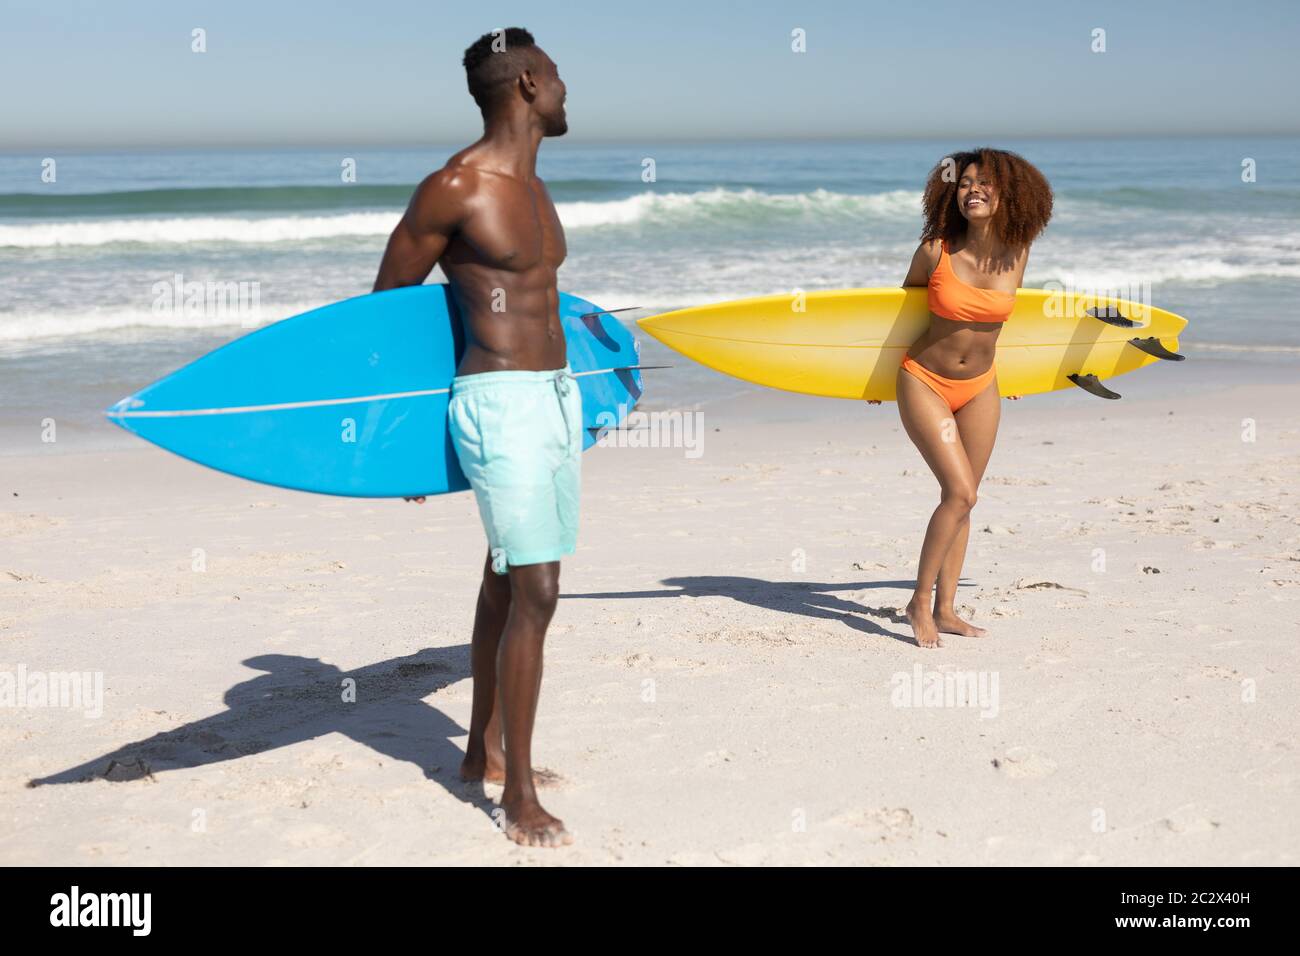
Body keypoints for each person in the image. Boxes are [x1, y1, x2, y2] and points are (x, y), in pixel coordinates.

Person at [372, 27, 575, 847]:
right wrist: (397, 441)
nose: (568, 90)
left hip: (554, 400)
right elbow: (386, 309)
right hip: (496, 403)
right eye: (559, 76)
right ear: (528, 83)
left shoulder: (535, 187)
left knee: (506, 576)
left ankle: (479, 750)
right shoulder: (453, 187)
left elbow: (541, 299)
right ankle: (517, 793)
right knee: (539, 590)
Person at [896, 148, 1053, 648]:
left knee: (963, 503)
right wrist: (868, 383)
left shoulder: (1019, 251)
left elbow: (1012, 325)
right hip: (925, 380)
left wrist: (1034, 372)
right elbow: (894, 319)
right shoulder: (934, 251)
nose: (973, 190)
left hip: (983, 386)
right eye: (964, 183)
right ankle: (919, 602)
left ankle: (946, 609)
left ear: (1011, 194)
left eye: (985, 182)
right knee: (961, 492)